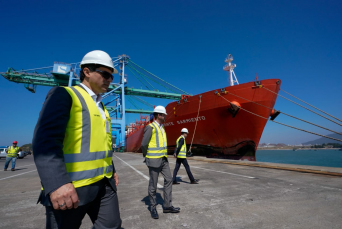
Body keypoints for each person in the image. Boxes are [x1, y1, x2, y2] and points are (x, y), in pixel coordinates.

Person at [32, 50, 122, 229]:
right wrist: (57, 184)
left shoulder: (101, 107)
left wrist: (112, 169)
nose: (110, 80)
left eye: (111, 76)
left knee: (113, 226)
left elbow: (102, 143)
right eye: (105, 74)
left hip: (104, 185)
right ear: (87, 72)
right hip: (71, 188)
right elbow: (45, 141)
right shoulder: (64, 95)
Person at [141, 105, 180, 219]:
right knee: (153, 185)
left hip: (163, 159)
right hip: (153, 160)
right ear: (159, 115)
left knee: (169, 179)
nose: (165, 116)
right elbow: (143, 144)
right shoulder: (150, 127)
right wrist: (147, 156)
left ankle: (167, 206)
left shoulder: (162, 127)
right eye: (164, 115)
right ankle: (153, 207)